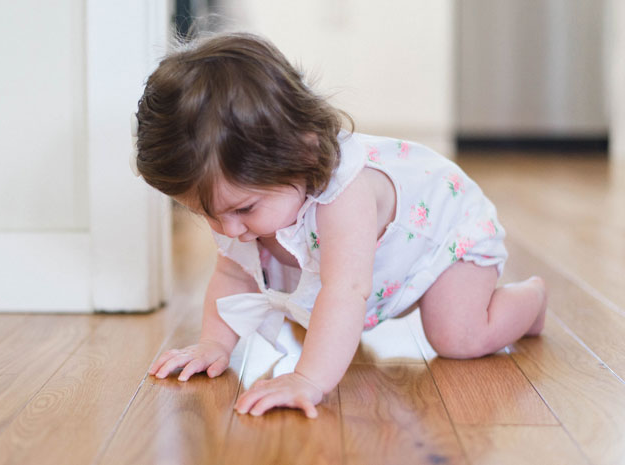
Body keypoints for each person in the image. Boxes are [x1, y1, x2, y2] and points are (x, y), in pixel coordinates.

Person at [133, 33, 547, 419]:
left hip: (444, 234)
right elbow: (233, 275)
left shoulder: (344, 197)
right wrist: (214, 344)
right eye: (207, 213)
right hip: (386, 256)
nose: (228, 229)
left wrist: (308, 378)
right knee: (305, 306)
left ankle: (531, 302)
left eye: (243, 209)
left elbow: (346, 289)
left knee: (458, 337)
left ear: (304, 152)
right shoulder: (240, 204)